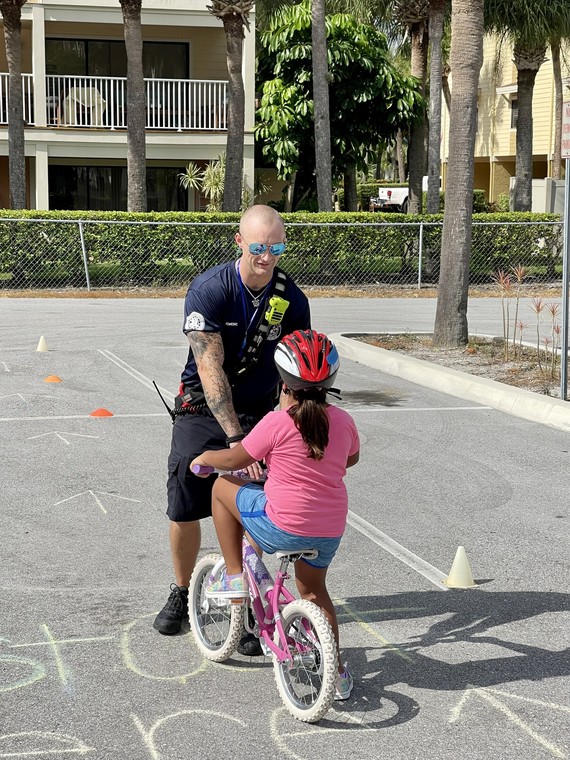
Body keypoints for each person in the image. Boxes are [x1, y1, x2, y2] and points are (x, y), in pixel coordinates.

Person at [153, 204, 311, 658]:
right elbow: (209, 367)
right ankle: (183, 590)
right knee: (185, 486)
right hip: (204, 404)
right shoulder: (210, 289)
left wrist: (286, 428)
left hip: (262, 409)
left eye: (276, 247)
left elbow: (293, 372)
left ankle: (248, 605)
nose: (267, 256)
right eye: (258, 247)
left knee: (254, 498)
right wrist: (239, 441)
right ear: (240, 242)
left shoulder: (292, 300)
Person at [190, 330, 360, 701]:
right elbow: (350, 458)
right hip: (328, 530)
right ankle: (338, 671)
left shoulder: (277, 421)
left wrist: (205, 459)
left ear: (282, 381)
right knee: (315, 591)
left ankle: (235, 577)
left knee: (222, 490)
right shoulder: (344, 421)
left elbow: (237, 460)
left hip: (282, 527)